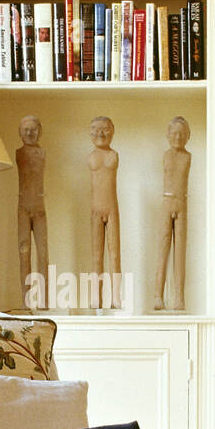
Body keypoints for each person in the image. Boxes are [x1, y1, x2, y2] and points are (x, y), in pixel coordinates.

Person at [154, 116, 191, 311]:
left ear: (187, 136)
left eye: (181, 133)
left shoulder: (188, 156)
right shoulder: (166, 155)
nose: (178, 137)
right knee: (163, 250)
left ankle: (179, 297)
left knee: (180, 253)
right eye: (174, 133)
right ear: (168, 135)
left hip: (182, 202)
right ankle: (158, 296)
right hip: (167, 202)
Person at [88, 115, 122, 309]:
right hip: (95, 209)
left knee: (114, 253)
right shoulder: (91, 156)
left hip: (111, 208)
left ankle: (116, 296)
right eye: (96, 129)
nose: (101, 133)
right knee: (96, 256)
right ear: (91, 132)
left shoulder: (113, 154)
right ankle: (96, 297)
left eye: (105, 129)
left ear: (112, 131)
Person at [16, 116, 49, 308]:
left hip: (39, 207)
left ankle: (45, 300)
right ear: (20, 132)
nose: (29, 133)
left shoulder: (41, 152)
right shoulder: (19, 153)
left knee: (43, 252)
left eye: (33, 129)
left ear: (39, 131)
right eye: (26, 129)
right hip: (23, 207)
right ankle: (26, 301)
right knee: (24, 251)